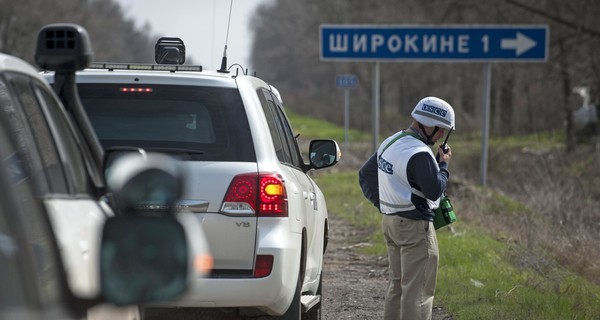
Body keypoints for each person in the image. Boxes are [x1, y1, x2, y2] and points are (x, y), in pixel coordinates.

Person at [358, 96, 455, 320]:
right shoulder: (420, 153)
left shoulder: (392, 141)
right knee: (419, 292)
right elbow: (434, 190)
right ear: (427, 124)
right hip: (415, 227)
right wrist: (443, 165)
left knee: (397, 288)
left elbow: (366, 174)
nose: (441, 135)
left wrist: (384, 205)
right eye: (440, 130)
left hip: (391, 222)